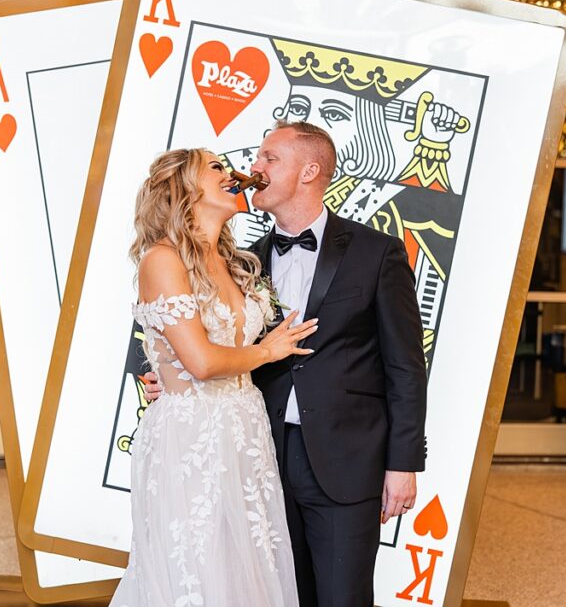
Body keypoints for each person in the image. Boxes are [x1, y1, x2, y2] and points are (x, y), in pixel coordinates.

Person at [144, 121, 428, 607]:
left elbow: (406, 365)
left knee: (344, 598)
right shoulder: (241, 261)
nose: (252, 168)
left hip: (345, 461)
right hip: (255, 458)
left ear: (309, 171)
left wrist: (403, 464)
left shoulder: (376, 252)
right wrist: (172, 377)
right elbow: (192, 337)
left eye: (268, 158)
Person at [111, 147, 319, 607]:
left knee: (246, 569)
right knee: (195, 571)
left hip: (245, 431)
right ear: (185, 187)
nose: (234, 173)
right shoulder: (162, 260)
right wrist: (267, 351)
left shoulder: (236, 260)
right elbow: (202, 362)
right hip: (190, 439)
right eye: (217, 167)